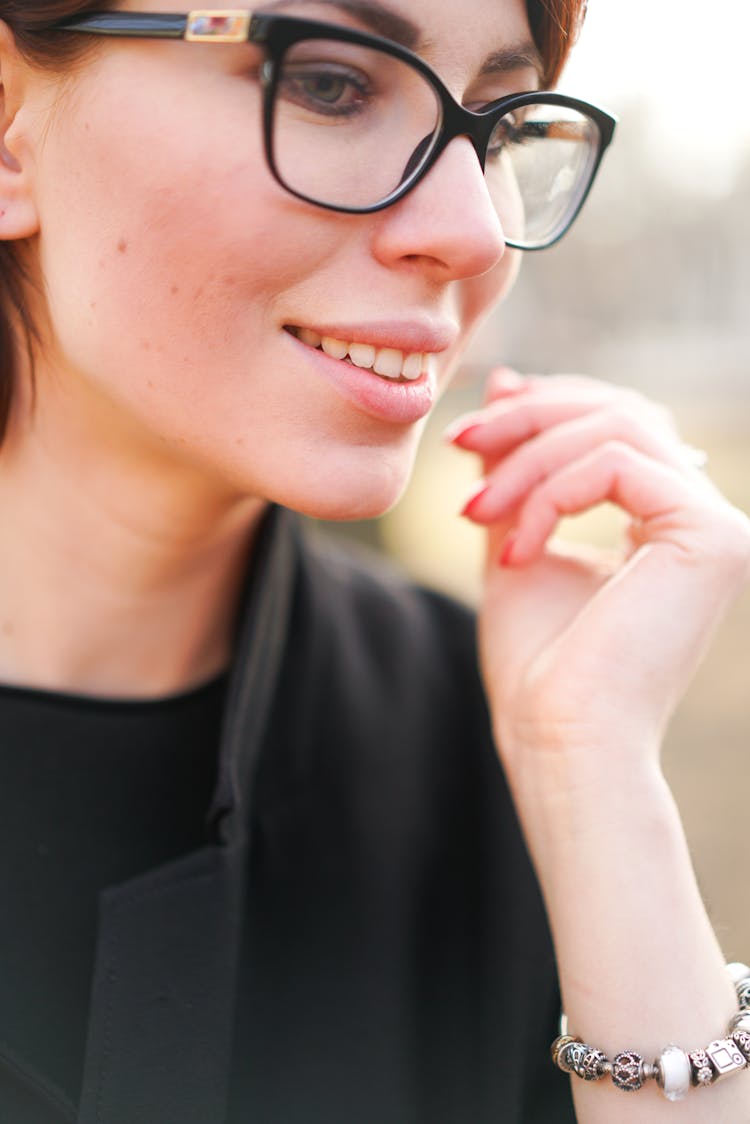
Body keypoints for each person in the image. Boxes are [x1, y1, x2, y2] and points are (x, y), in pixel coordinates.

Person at [0, 1, 748, 1121]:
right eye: (333, 86)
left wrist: (590, 778)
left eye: (497, 130)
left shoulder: (502, 743)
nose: (474, 232)